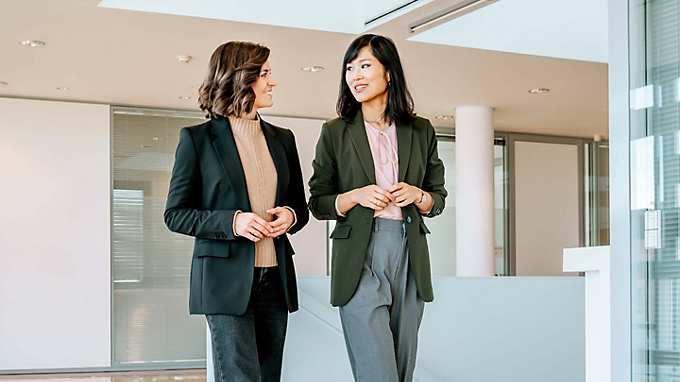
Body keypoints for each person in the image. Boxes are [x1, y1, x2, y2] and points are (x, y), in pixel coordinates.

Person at [164, 41, 309, 382]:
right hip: (224, 281)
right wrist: (234, 221)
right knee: (240, 376)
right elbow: (176, 213)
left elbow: (299, 207)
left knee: (268, 375)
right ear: (241, 77)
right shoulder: (197, 140)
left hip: (275, 279)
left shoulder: (283, 139)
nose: (272, 82)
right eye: (266, 73)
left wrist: (289, 215)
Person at [308, 34, 447, 382]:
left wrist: (418, 195)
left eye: (365, 66)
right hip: (360, 256)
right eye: (350, 68)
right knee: (377, 371)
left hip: (409, 253)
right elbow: (318, 201)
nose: (355, 75)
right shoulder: (335, 132)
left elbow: (438, 198)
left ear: (389, 73)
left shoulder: (420, 130)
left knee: (402, 369)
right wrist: (355, 196)